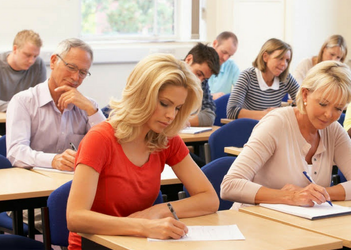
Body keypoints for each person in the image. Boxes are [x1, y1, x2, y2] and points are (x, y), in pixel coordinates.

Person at [66, 54, 219, 250]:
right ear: (141, 96)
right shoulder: (100, 139)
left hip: (139, 244)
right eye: (165, 104)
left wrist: (159, 211)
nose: (171, 115)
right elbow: (75, 217)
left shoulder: (166, 138)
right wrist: (143, 226)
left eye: (178, 108)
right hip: (95, 246)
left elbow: (209, 199)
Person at [221, 61, 351, 210]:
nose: (329, 114)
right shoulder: (277, 123)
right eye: (323, 104)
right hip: (254, 222)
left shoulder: (334, 131)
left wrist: (321, 194)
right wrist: (290, 196)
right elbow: (230, 185)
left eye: (338, 108)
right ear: (305, 94)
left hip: (300, 226)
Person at [5, 38, 106, 232]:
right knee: (83, 222)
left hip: (77, 193)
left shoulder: (86, 105)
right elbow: (16, 152)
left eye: (83, 72)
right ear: (53, 62)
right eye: (71, 67)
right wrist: (54, 160)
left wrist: (91, 110)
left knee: (108, 215)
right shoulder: (23, 101)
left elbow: (109, 147)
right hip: (32, 197)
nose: (76, 77)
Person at [226, 38, 299, 120]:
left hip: (272, 128)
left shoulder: (286, 78)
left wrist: (283, 111)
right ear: (265, 57)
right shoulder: (247, 76)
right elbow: (231, 112)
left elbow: (304, 102)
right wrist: (268, 114)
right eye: (280, 58)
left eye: (287, 60)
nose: (284, 64)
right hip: (249, 128)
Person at [0, 30, 46, 113]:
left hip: (28, 118)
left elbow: (41, 97)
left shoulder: (38, 64)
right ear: (15, 49)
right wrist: (18, 106)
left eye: (35, 56)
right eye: (27, 55)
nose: (31, 61)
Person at [184, 43, 220, 127]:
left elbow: (209, 116)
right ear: (188, 60)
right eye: (198, 74)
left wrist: (181, 122)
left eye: (204, 78)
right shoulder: (168, 75)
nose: (199, 81)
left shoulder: (201, 81)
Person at [208, 31, 239, 100]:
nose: (225, 58)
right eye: (224, 52)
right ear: (215, 44)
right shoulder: (199, 63)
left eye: (230, 55)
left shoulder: (232, 66)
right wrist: (210, 97)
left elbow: (242, 90)